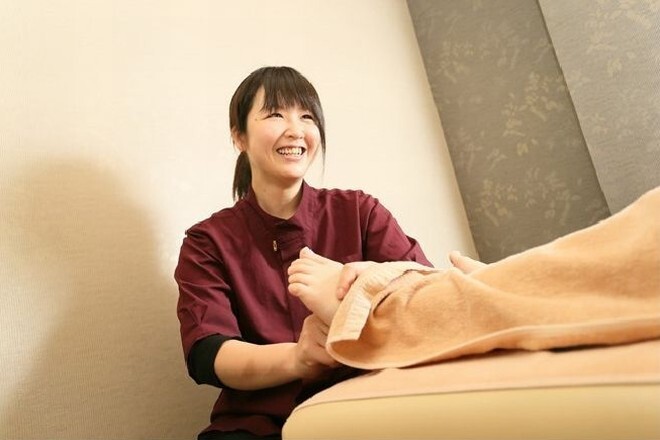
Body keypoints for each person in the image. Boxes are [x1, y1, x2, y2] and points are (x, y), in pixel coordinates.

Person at [174, 66, 432, 440]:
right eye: (276, 114)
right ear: (239, 136)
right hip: (259, 422)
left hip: (369, 403)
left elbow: (427, 299)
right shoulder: (207, 242)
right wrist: (299, 358)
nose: (296, 130)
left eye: (307, 116)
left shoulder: (360, 212)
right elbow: (208, 354)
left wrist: (362, 282)